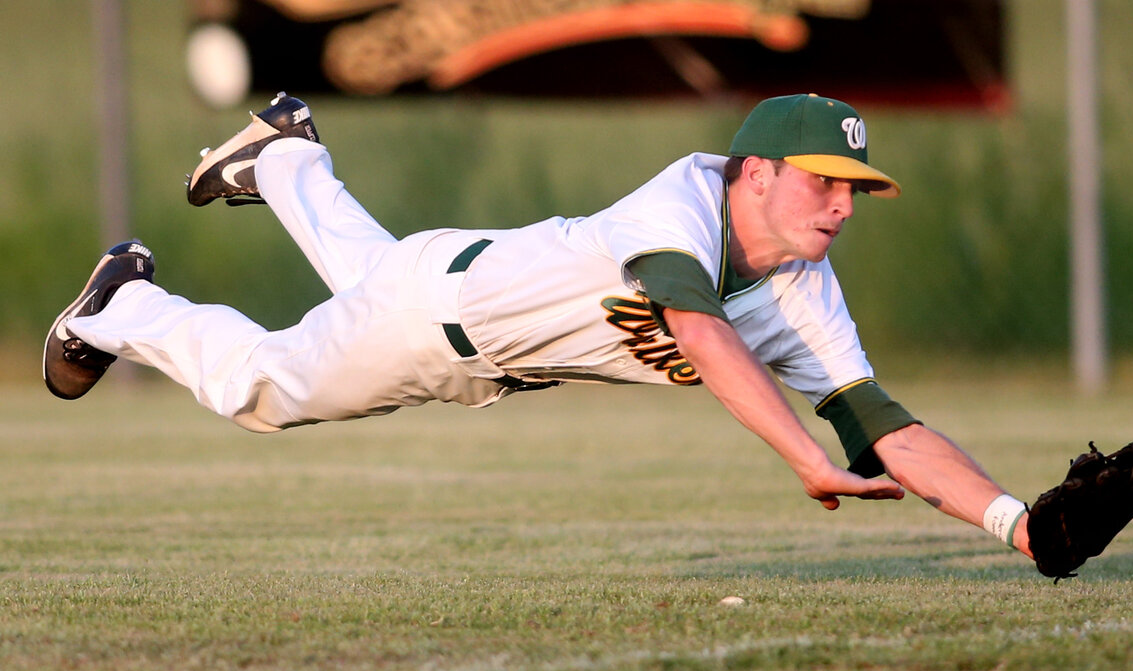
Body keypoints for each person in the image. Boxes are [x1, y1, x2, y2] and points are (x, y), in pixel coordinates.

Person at [46, 92, 1042, 562]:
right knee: (257, 389)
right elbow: (697, 330)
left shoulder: (803, 291)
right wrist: (802, 458)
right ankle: (123, 305)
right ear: (756, 172)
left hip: (452, 289)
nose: (845, 208)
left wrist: (1020, 524)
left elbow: (887, 428)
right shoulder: (682, 208)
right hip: (430, 325)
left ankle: (283, 156)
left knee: (365, 264)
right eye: (828, 183)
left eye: (857, 188)